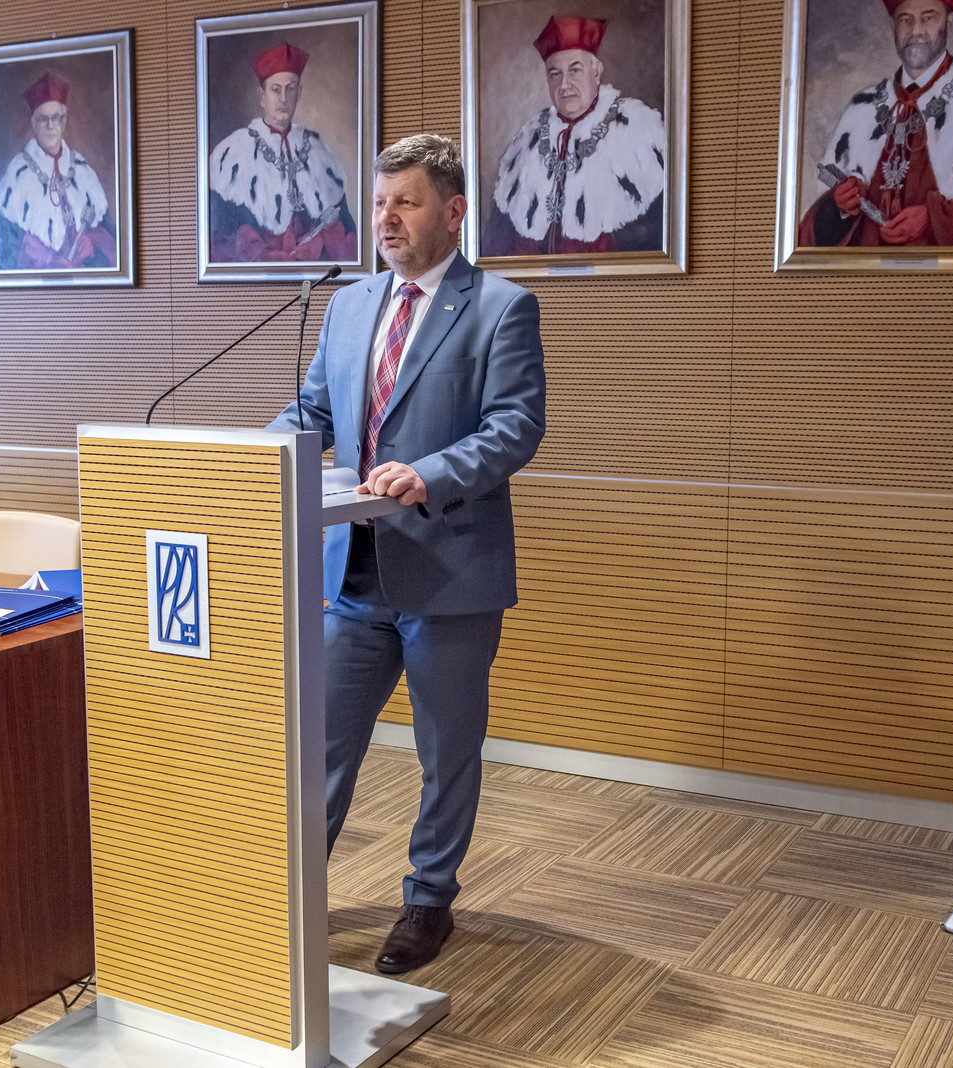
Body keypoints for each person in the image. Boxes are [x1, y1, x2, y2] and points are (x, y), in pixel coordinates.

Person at [268, 134, 545, 972]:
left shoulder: (500, 306)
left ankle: (428, 900)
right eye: (380, 203)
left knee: (444, 751)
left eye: (406, 203)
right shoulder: (349, 305)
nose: (385, 219)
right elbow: (312, 411)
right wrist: (256, 455)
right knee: (319, 744)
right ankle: (289, 896)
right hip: (353, 572)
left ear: (453, 212)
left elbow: (514, 426)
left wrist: (430, 475)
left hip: (449, 571)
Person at [798, 0, 953, 247]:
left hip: (948, 271)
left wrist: (936, 218)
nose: (916, 31)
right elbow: (811, 240)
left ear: (949, 21)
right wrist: (839, 205)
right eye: (905, 20)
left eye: (928, 18)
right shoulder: (863, 108)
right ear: (892, 25)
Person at [483, 16, 667, 256]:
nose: (564, 85)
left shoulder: (637, 130)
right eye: (555, 74)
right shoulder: (529, 139)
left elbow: (652, 237)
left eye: (575, 70)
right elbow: (497, 244)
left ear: (596, 73)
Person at [208, 41, 357, 263]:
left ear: (299, 92)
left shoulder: (320, 153)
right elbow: (220, 234)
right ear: (262, 96)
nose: (284, 99)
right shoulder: (232, 155)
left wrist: (320, 242)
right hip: (259, 275)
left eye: (291, 88)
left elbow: (344, 227)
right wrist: (262, 254)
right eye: (276, 90)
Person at [0, 71, 115, 270]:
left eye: (55, 118)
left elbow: (112, 245)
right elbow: (4, 254)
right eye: (43, 119)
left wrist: (91, 245)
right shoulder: (17, 174)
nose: (50, 125)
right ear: (34, 124)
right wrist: (47, 260)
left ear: (63, 122)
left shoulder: (82, 170)